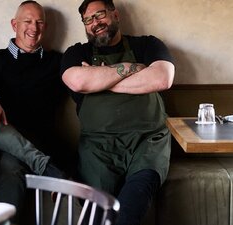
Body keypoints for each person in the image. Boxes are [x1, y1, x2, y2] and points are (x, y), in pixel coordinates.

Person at [60, 0, 175, 224]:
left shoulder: (147, 45)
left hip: (147, 143)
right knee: (93, 215)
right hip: (98, 149)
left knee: (131, 207)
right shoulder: (77, 52)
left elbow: (162, 77)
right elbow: (77, 81)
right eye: (88, 20)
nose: (95, 23)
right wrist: (134, 69)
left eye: (100, 15)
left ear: (115, 14)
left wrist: (101, 79)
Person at [0, 1, 69, 224]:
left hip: (33, 142)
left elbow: (83, 78)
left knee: (12, 162)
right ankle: (48, 168)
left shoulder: (57, 62)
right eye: (28, 21)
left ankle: (42, 166)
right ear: (14, 24)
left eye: (40, 22)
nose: (34, 27)